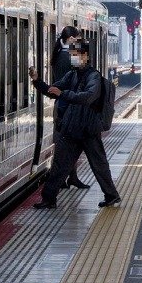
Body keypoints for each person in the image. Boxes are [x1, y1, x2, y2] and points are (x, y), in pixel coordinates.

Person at [29, 41, 120, 209]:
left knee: (98, 164)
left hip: (88, 128)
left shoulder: (94, 77)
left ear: (85, 56)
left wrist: (64, 94)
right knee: (59, 164)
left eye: (76, 55)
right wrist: (37, 82)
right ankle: (49, 199)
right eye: (72, 56)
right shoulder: (72, 75)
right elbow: (53, 90)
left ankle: (112, 195)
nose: (74, 59)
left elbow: (88, 97)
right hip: (72, 127)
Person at [48, 26, 89, 192]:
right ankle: (62, 179)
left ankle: (71, 177)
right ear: (71, 39)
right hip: (67, 105)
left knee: (67, 143)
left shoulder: (59, 54)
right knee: (66, 144)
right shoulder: (68, 57)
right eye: (77, 38)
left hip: (63, 103)